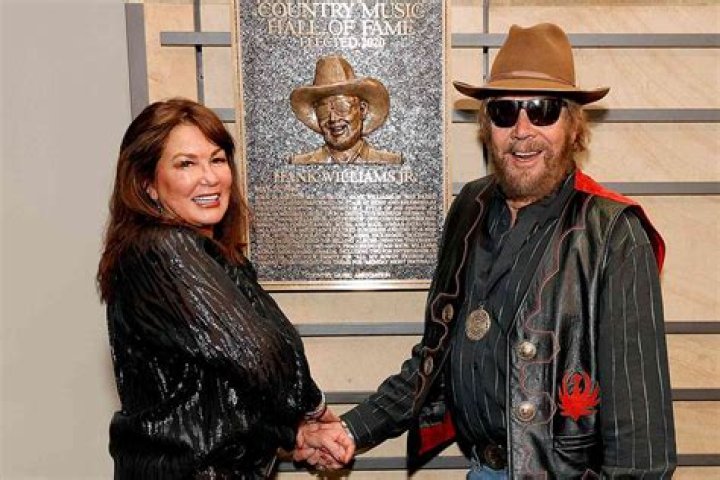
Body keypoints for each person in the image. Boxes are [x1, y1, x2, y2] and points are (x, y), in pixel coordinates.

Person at [296, 23, 677, 478]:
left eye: (542, 110)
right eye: (503, 111)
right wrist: (352, 430)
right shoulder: (469, 207)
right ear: (486, 126)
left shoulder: (614, 234)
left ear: (573, 126)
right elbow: (434, 359)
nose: (521, 130)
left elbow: (641, 444)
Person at [97, 98, 353, 479]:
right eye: (186, 164)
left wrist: (295, 432)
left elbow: (220, 393)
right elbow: (259, 353)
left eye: (217, 160)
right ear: (147, 183)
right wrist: (313, 409)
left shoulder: (218, 259)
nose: (210, 177)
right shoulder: (161, 249)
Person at [289, 54, 402, 165]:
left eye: (341, 107)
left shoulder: (390, 162)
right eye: (324, 110)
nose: (333, 118)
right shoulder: (300, 164)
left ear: (362, 110)